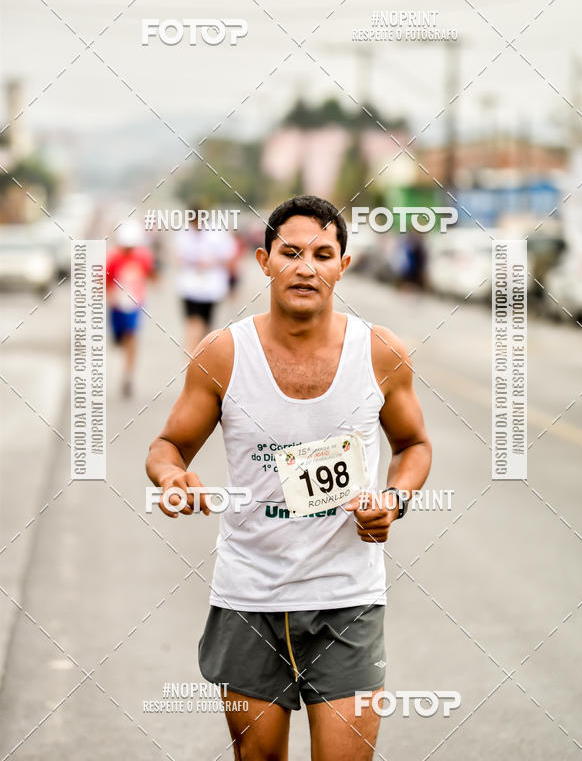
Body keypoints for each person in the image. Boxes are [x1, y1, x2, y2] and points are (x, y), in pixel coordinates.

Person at [146, 195, 432, 761]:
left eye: (323, 254)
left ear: (343, 266)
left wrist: (394, 500)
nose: (306, 267)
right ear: (264, 260)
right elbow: (168, 445)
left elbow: (414, 445)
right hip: (250, 596)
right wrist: (172, 477)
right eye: (292, 252)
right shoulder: (223, 355)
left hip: (347, 596)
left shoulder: (379, 353)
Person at [175, 203, 237, 354]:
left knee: (207, 326)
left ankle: (201, 356)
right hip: (190, 287)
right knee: (193, 323)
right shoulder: (184, 233)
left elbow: (230, 257)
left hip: (211, 288)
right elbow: (177, 257)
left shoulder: (217, 233)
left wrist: (213, 263)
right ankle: (191, 357)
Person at [106, 220, 155, 398]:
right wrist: (109, 297)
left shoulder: (142, 257)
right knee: (121, 339)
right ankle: (120, 344)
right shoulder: (113, 258)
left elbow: (152, 273)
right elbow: (104, 282)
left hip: (135, 304)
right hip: (117, 305)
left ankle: (128, 375)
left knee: (131, 338)